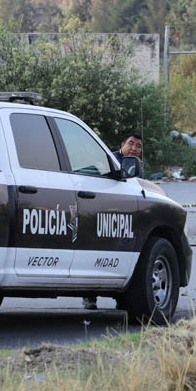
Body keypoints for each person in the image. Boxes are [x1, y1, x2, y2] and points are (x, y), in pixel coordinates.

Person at [83, 133, 145, 310]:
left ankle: (123, 299)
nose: (134, 148)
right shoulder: (109, 159)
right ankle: (90, 296)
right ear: (122, 144)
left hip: (127, 216)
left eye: (138, 146)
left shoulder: (137, 165)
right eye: (131, 143)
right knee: (97, 254)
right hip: (104, 212)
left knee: (127, 255)